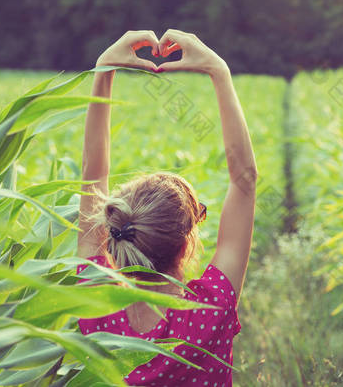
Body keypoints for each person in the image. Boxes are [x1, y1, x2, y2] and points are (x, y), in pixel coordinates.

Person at [75, 29, 258, 386]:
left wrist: (103, 70)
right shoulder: (209, 312)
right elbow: (245, 181)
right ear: (188, 240)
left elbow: (91, 174)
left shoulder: (95, 304)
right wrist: (218, 70)